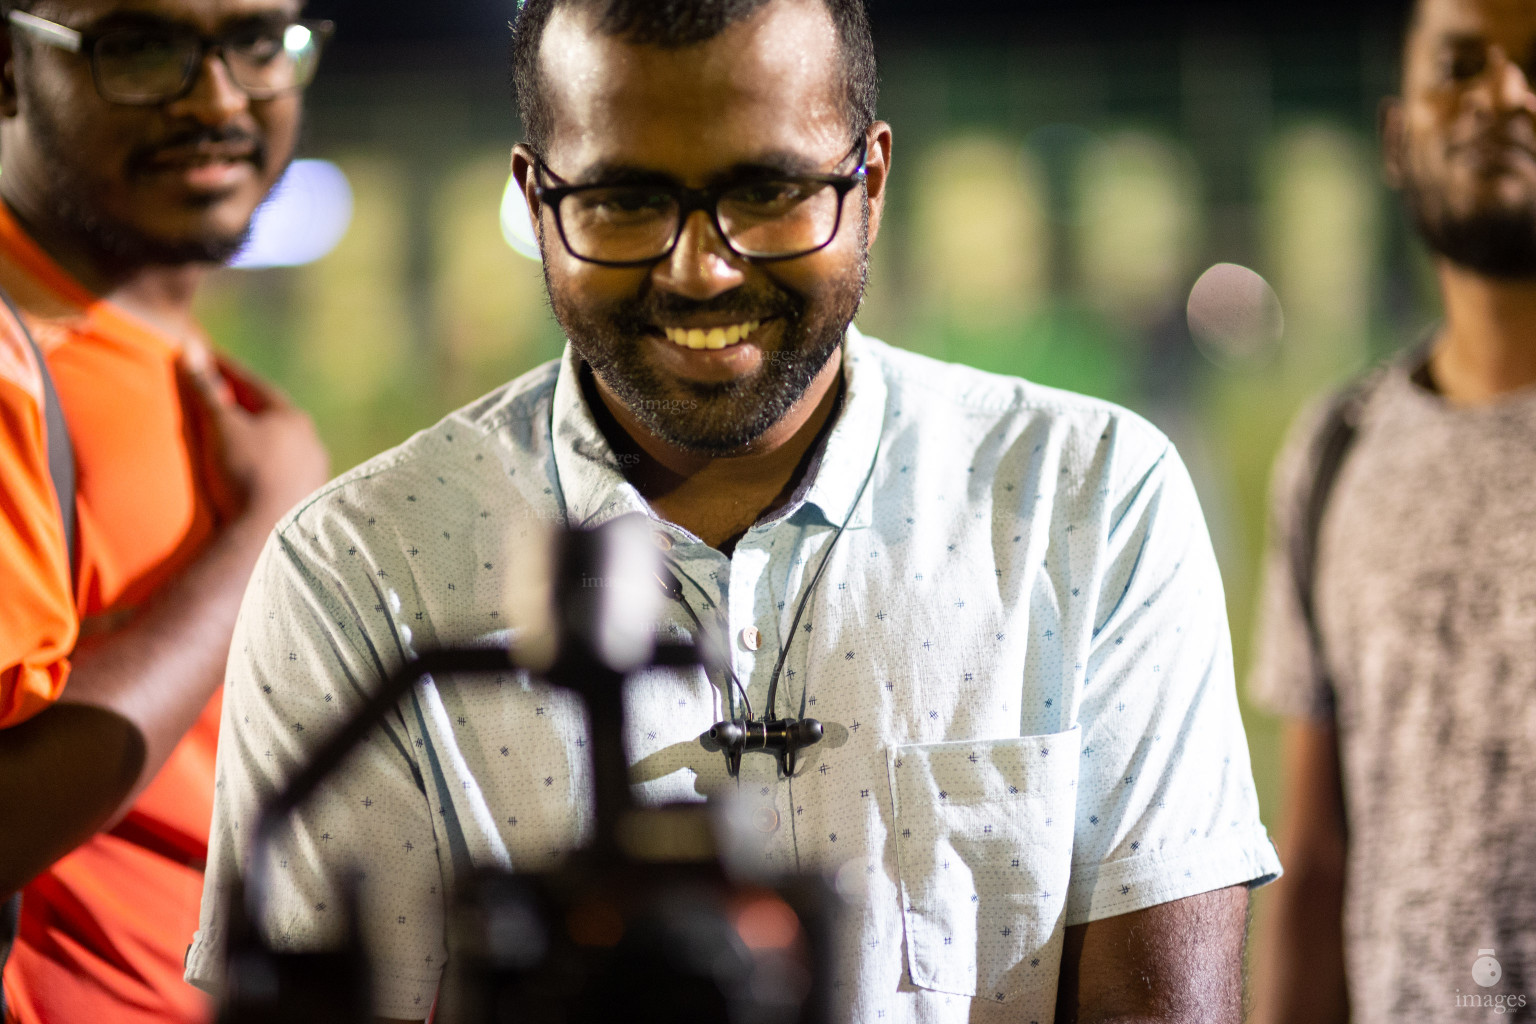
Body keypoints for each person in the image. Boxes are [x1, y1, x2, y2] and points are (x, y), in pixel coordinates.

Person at [188, 0, 1280, 1020]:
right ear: (536, 199)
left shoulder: (1081, 500)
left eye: (767, 193)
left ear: (873, 181)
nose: (702, 269)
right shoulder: (361, 573)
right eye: (624, 201)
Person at [0, 0, 331, 1020]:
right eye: (141, 48)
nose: (218, 98)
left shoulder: (175, 359)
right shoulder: (17, 360)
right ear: (6, 66)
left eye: (257, 42)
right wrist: (264, 534)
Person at [1249, 0, 1536, 1020]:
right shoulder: (1336, 451)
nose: (1504, 94)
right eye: (1462, 66)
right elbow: (1318, 856)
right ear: (1397, 133)